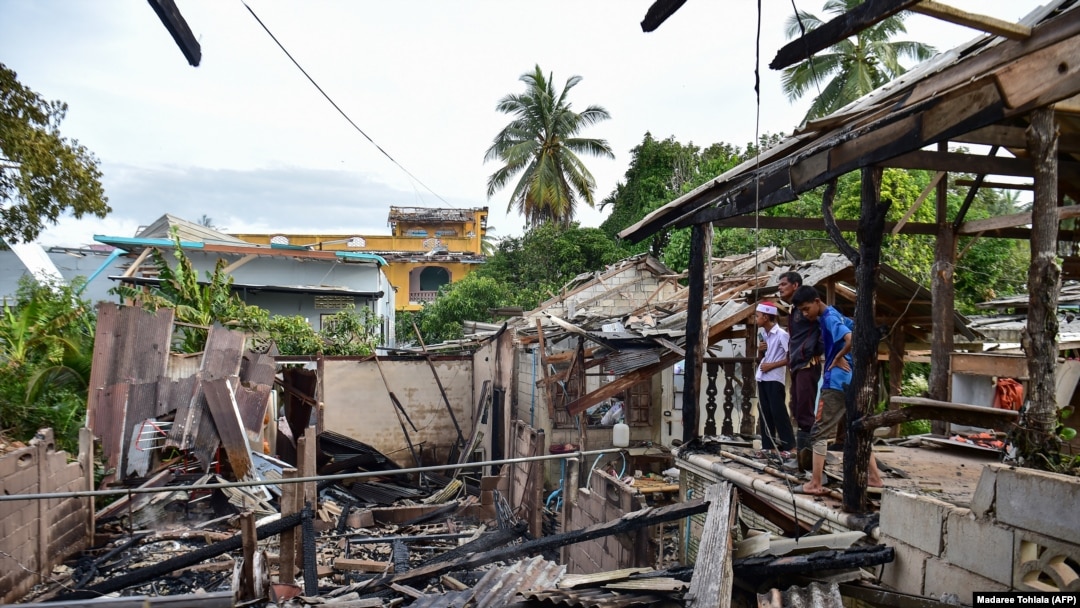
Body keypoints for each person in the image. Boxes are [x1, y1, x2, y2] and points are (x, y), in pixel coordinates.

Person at [790, 285, 882, 496]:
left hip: (836, 382)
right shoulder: (836, 315)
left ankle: (815, 483)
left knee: (820, 430)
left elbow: (850, 339)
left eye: (806, 309)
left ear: (816, 301)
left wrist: (839, 357)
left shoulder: (830, 317)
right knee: (857, 429)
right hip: (851, 380)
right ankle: (875, 477)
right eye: (802, 311)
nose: (805, 314)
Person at [776, 271, 821, 471]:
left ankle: (811, 461)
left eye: (784, 284)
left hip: (807, 364)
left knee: (805, 411)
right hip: (796, 364)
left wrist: (812, 351)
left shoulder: (808, 309)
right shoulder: (795, 311)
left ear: (795, 286)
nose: (780, 288)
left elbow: (824, 330)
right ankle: (802, 458)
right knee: (796, 407)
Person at [754, 301, 795, 452]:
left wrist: (771, 366)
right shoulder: (763, 335)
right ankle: (768, 446)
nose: (755, 319)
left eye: (757, 316)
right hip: (763, 377)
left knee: (778, 411)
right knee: (765, 411)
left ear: (765, 317)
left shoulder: (782, 335)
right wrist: (760, 351)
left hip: (775, 378)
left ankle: (789, 446)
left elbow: (790, 358)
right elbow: (761, 359)